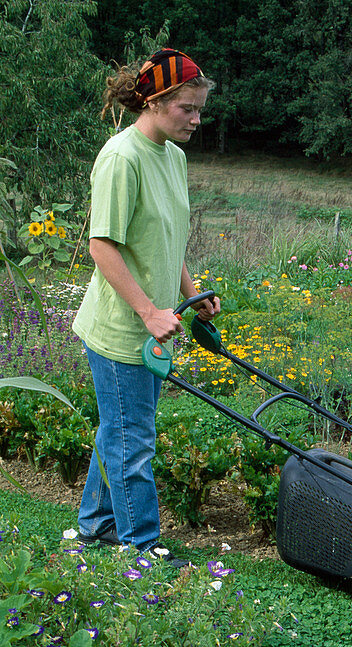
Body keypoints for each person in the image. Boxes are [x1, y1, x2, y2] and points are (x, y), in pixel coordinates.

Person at [73, 48, 220, 567]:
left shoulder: (173, 157)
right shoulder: (122, 156)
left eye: (200, 109)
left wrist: (189, 292)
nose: (197, 120)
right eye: (188, 108)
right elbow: (102, 246)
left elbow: (167, 238)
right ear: (155, 102)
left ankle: (94, 526)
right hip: (122, 330)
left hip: (155, 327)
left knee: (119, 428)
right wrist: (149, 313)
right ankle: (141, 551)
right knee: (133, 439)